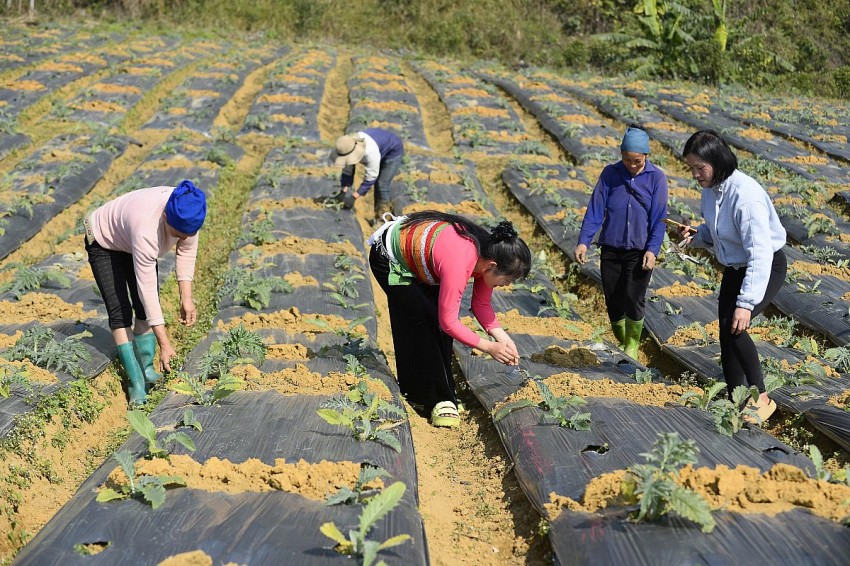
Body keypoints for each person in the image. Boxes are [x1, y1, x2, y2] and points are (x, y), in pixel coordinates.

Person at [368, 211, 531, 428]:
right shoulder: (461, 259)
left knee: (433, 322)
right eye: (508, 279)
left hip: (422, 262)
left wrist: (501, 337)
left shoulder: (487, 256)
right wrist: (488, 347)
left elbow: (480, 305)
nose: (507, 285)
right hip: (389, 257)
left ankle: (435, 394)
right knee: (424, 322)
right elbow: (448, 322)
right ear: (492, 266)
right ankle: (434, 399)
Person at [680, 130, 787, 423]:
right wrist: (697, 235)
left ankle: (761, 398)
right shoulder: (711, 190)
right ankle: (735, 397)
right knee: (725, 333)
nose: (696, 175)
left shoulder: (745, 196)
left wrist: (747, 302)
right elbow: (720, 234)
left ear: (717, 161)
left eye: (700, 168)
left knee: (735, 325)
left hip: (764, 266)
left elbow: (760, 253)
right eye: (692, 168)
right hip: (735, 267)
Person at [84, 180, 206, 406]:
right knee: (120, 312)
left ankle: (147, 369)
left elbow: (187, 254)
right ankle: (137, 383)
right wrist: (165, 343)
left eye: (185, 235)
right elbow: (147, 290)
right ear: (166, 218)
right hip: (104, 240)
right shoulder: (147, 226)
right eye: (176, 234)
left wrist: (186, 298)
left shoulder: (190, 211)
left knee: (142, 309)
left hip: (128, 240)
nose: (181, 239)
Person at [574, 126, 668, 360]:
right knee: (613, 297)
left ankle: (632, 344)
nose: (632, 165)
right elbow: (595, 210)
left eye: (636, 161)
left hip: (640, 250)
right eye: (627, 160)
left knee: (633, 296)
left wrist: (652, 250)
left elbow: (659, 218)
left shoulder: (656, 178)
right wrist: (584, 241)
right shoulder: (610, 174)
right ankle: (622, 337)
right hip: (612, 248)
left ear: (646, 155)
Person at [330, 128, 404, 222]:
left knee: (382, 184)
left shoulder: (369, 152)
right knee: (379, 183)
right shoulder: (347, 147)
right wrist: (343, 191)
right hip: (380, 146)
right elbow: (347, 171)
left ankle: (382, 218)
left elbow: (371, 177)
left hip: (393, 151)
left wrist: (354, 196)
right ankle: (378, 215)